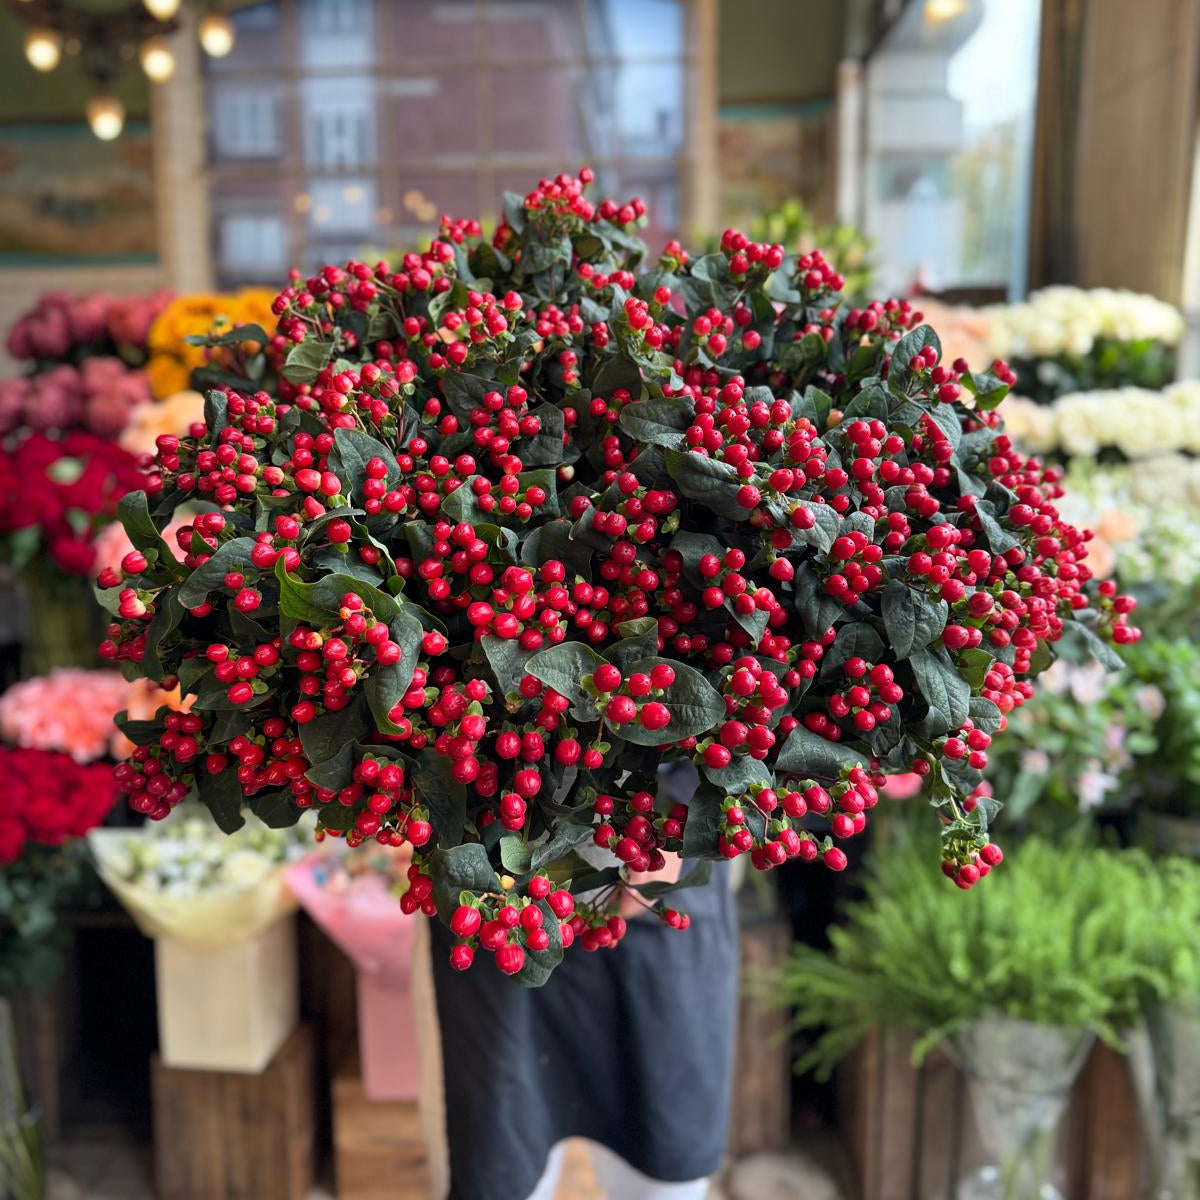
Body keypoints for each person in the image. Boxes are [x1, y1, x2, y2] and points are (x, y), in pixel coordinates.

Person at [428, 762, 737, 1200]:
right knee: (500, 1154)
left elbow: (762, 736)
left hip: (664, 872)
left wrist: (681, 815)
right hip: (490, 883)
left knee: (664, 1157)